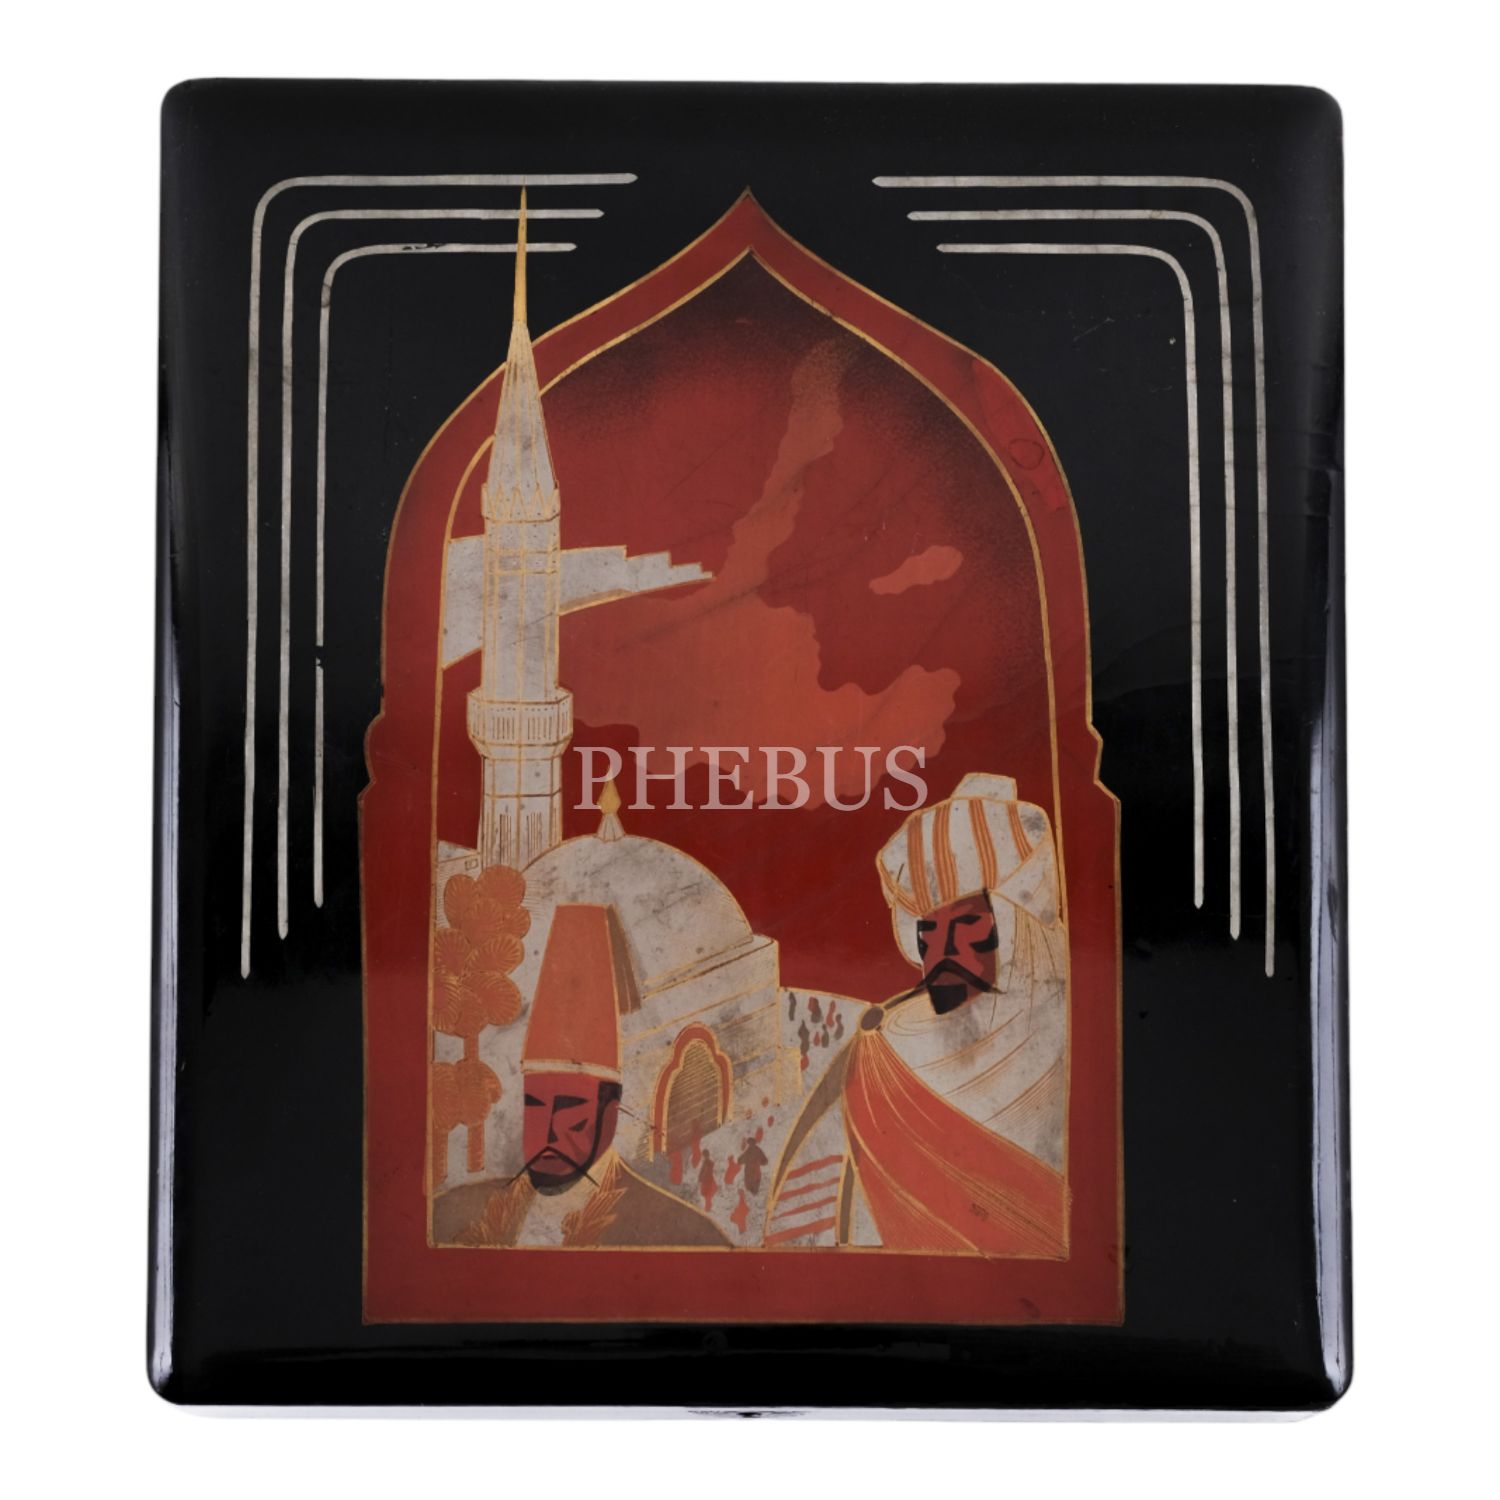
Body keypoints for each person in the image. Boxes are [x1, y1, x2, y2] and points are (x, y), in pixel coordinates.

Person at [765, 773, 1069, 1256]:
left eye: (966, 926)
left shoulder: (1071, 1033)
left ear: (1015, 930)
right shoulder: (883, 1054)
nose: (942, 952)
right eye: (929, 932)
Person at [436, 903, 729, 1248]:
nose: (548, 1134)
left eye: (570, 1112)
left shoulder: (679, 1232)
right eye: (535, 1107)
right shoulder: (455, 1212)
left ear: (610, 1112)